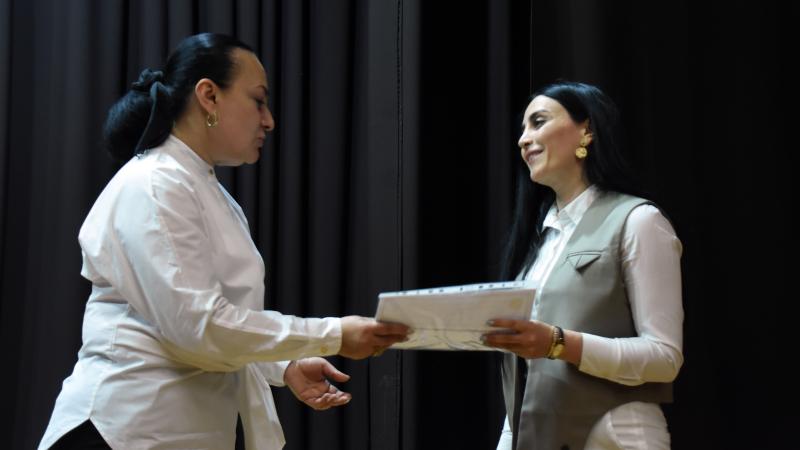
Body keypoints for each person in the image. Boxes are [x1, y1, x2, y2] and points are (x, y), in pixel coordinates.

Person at [39, 33, 408, 450]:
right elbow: (200, 328)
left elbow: (222, 327)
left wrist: (283, 365)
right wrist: (334, 333)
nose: (268, 120)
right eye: (258, 101)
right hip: (123, 431)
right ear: (209, 96)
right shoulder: (156, 183)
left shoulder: (203, 189)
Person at [482, 82, 684, 450]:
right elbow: (521, 385)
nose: (523, 140)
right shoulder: (540, 242)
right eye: (522, 130)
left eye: (538, 122)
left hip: (618, 438)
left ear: (587, 131)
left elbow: (664, 357)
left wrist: (559, 343)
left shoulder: (639, 221)